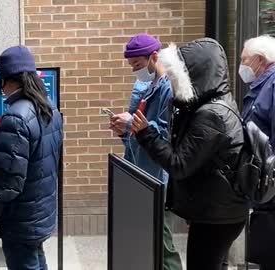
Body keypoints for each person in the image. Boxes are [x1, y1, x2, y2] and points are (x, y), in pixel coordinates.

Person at [131, 38, 249, 270]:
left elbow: (179, 164)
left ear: (194, 75)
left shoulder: (210, 115)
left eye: (177, 77)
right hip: (218, 208)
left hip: (217, 214)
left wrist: (145, 134)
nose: (172, 82)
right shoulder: (214, 103)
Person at [0, 46, 63, 270]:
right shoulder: (51, 111)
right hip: (39, 212)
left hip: (20, 219)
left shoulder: (15, 118)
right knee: (37, 260)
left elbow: (6, 181)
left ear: (7, 80)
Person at [109, 33, 182, 270]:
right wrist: (123, 130)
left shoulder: (168, 89)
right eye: (131, 66)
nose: (135, 71)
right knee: (149, 242)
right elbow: (138, 135)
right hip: (140, 173)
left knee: (163, 245)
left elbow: (164, 136)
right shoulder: (145, 86)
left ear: (154, 56)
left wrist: (132, 125)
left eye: (138, 65)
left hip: (158, 178)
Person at [239, 35, 275, 270]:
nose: (242, 66)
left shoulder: (272, 87)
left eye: (244, 60)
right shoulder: (263, 86)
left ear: (260, 60)